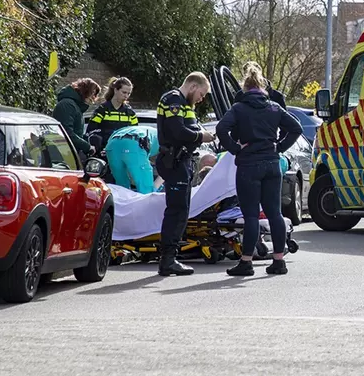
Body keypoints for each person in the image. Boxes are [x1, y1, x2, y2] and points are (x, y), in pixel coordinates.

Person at [217, 61, 302, 276]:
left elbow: (221, 128)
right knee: (275, 213)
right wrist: (279, 146)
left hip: (248, 165)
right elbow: (296, 128)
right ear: (263, 87)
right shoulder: (274, 107)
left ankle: (246, 262)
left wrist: (236, 148)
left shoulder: (239, 108)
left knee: (252, 215)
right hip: (272, 164)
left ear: (245, 89)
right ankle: (279, 261)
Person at [155, 72, 215, 277]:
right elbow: (177, 131)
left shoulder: (185, 104)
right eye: (201, 93)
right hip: (175, 162)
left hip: (183, 162)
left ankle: (170, 258)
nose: (201, 98)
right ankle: (168, 260)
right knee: (176, 211)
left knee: (181, 210)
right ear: (192, 86)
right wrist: (201, 136)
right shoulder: (173, 99)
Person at [86, 76, 138, 155]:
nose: (126, 96)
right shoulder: (102, 110)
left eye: (129, 93)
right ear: (115, 90)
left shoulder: (130, 113)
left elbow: (136, 135)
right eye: (124, 92)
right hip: (104, 153)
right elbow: (90, 131)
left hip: (124, 154)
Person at [52, 78, 101, 158]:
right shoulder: (68, 105)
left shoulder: (76, 107)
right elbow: (66, 132)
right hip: (63, 153)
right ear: (85, 90)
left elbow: (76, 132)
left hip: (69, 152)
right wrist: (87, 147)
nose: (93, 97)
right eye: (92, 93)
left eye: (95, 95)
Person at [105, 125, 159, 194]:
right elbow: (167, 168)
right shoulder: (163, 139)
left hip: (112, 145)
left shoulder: (149, 132)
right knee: (145, 188)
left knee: (121, 187)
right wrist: (154, 188)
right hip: (134, 144)